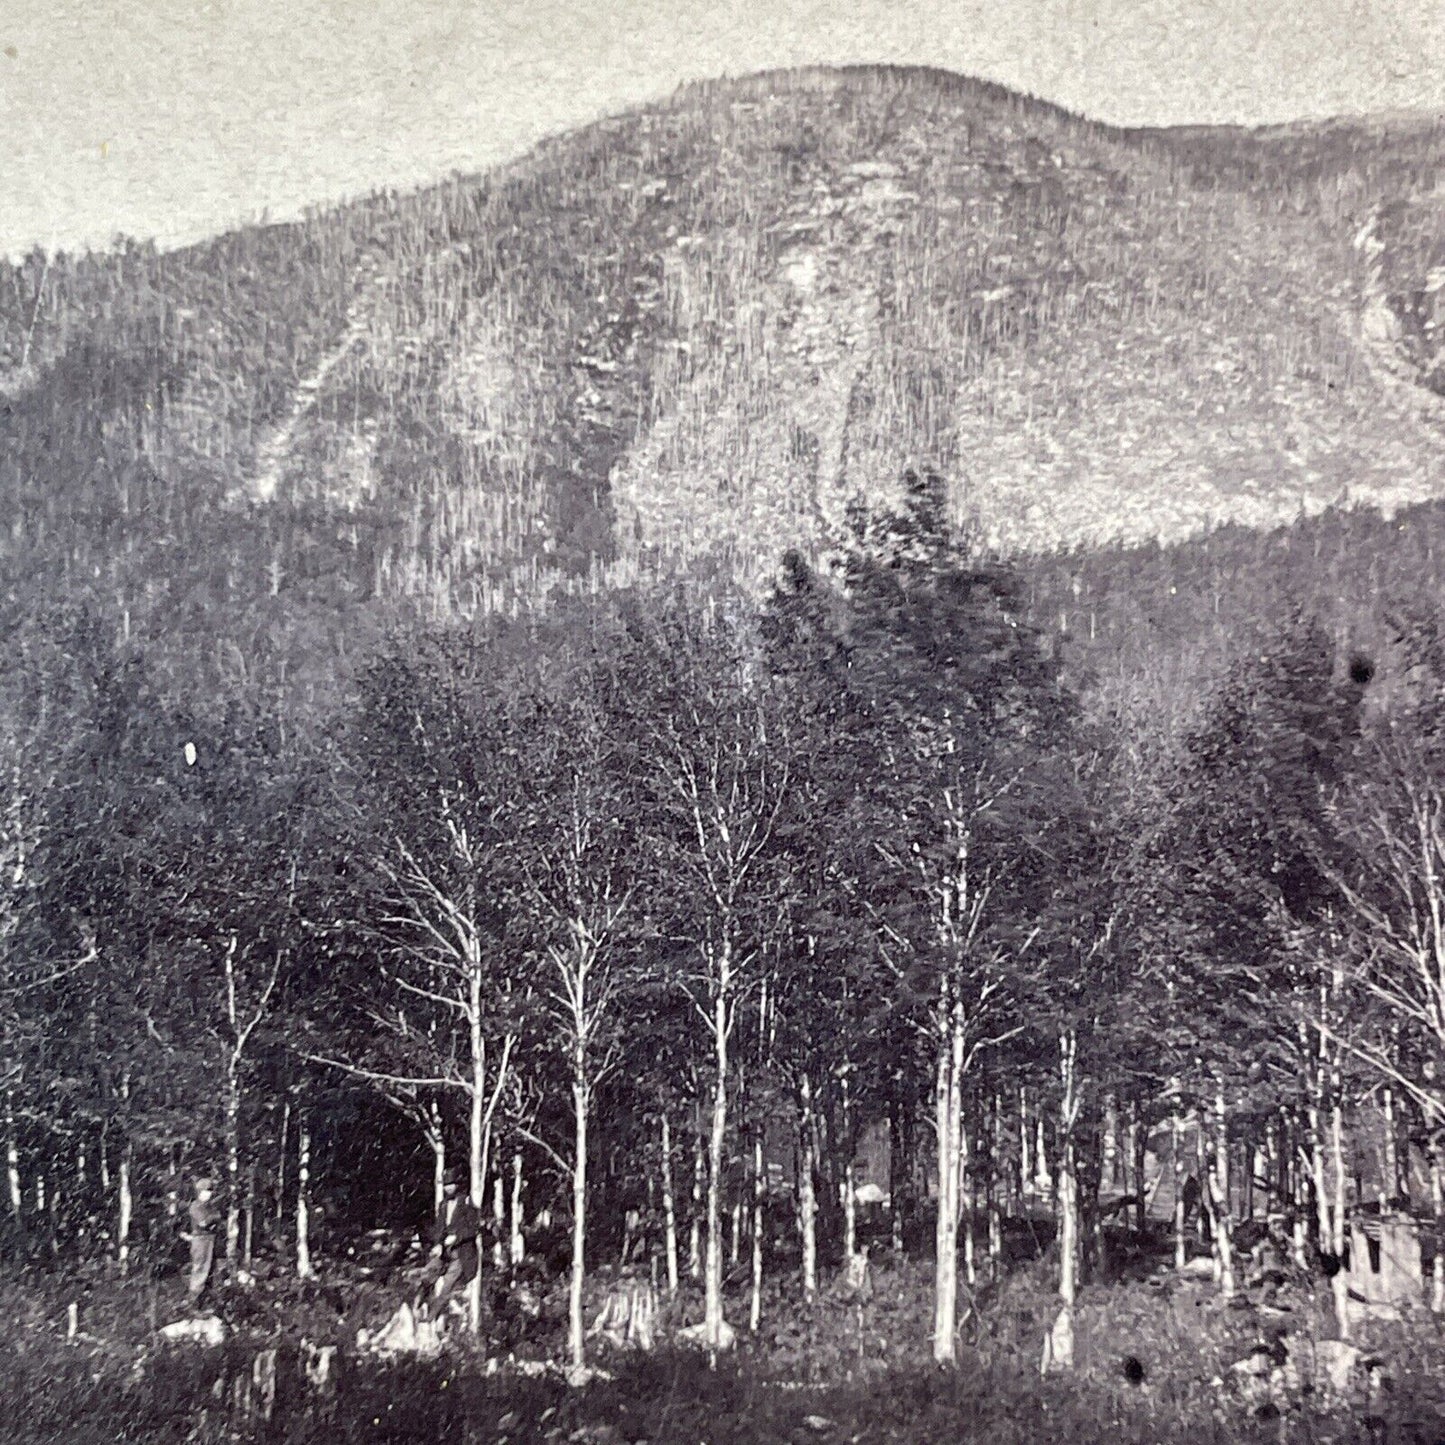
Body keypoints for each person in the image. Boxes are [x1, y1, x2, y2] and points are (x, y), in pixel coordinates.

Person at [428, 1169, 480, 1317]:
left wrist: (456, 1237)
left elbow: (474, 1228)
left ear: (457, 1184)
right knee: (426, 1274)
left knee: (447, 1285)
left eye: (451, 1184)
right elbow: (439, 1228)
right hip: (445, 1252)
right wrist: (438, 1243)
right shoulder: (443, 1204)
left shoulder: (467, 1202)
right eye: (446, 1184)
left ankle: (430, 1317)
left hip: (462, 1253)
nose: (448, 1187)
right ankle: (417, 1308)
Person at [182, 1177, 219, 1307]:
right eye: (205, 1191)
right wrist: (213, 1218)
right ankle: (192, 1300)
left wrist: (213, 1218)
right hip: (199, 1240)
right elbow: (203, 1222)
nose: (207, 1194)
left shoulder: (209, 1206)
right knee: (199, 1268)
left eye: (209, 1191)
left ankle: (204, 1300)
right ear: (199, 1192)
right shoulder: (195, 1206)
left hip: (209, 1239)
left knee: (208, 1268)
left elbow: (216, 1217)